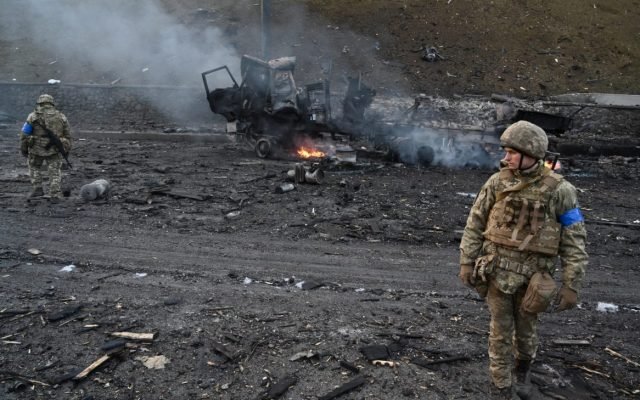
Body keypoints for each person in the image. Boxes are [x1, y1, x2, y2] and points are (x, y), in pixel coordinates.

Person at [458, 120, 588, 399]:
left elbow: (574, 239)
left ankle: (523, 371)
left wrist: (571, 284)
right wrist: (467, 261)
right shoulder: (497, 183)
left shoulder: (561, 191)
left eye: (512, 153)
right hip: (496, 271)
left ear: (532, 154)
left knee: (527, 333)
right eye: (505, 151)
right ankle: (501, 387)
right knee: (500, 332)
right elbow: (475, 222)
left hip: (534, 278)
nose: (505, 158)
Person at [19, 94, 72, 200]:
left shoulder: (32, 116)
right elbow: (68, 135)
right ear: (52, 103)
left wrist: (23, 148)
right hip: (54, 148)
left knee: (34, 167)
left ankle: (38, 189)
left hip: (35, 148)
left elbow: (24, 134)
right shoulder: (61, 116)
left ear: (40, 103)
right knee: (55, 170)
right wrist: (66, 149)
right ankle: (55, 192)